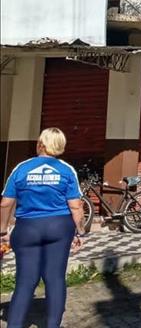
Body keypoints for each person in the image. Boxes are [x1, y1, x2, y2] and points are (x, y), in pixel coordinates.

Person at [0, 127, 86, 328]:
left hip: (27, 229)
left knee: (25, 280)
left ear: (40, 144)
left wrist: (2, 230)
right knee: (55, 278)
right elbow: (76, 206)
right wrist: (80, 232)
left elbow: (5, 203)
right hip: (59, 228)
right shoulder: (66, 170)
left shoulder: (21, 168)